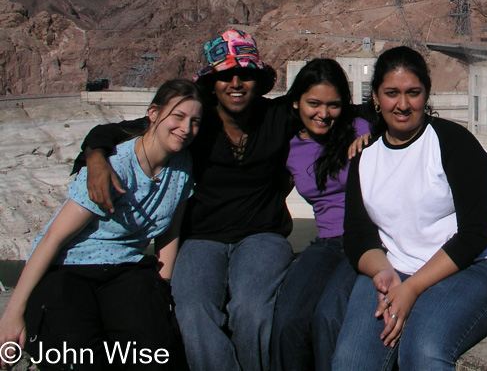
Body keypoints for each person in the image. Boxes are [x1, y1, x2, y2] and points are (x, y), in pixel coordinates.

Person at [75, 29, 296, 371]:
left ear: (258, 79)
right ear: (212, 83)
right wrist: (95, 158)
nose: (236, 83)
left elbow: (336, 113)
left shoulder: (278, 116)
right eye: (225, 76)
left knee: (252, 310)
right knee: (192, 311)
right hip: (201, 237)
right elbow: (114, 132)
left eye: (245, 75)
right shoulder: (195, 123)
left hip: (262, 235)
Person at [0, 79, 202, 371]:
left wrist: (162, 290)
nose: (186, 129)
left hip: (125, 269)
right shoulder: (115, 164)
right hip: (70, 268)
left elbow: (170, 232)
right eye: (178, 117)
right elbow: (53, 238)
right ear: (154, 114)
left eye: (195, 122)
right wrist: (13, 313)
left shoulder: (182, 165)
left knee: (154, 357)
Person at [333, 46, 487, 371]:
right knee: (351, 361)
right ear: (375, 97)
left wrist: (412, 288)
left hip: (474, 267)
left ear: (426, 95)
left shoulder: (453, 142)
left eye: (413, 93)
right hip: (395, 267)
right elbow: (358, 235)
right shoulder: (364, 158)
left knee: (423, 352)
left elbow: (477, 232)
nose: (402, 105)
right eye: (392, 93)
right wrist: (384, 273)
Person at [270, 59, 371, 371]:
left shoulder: (362, 129)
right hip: (326, 243)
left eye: (333, 105)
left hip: (368, 240)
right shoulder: (287, 145)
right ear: (297, 100)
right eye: (314, 103)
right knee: (287, 319)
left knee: (328, 315)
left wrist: (376, 144)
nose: (324, 114)